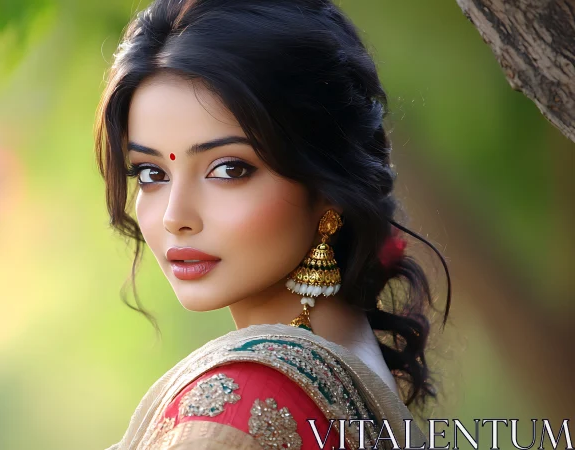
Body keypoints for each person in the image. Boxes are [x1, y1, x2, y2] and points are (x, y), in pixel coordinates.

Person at [94, 0, 451, 448]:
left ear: (326, 184)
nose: (174, 217)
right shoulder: (357, 372)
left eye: (228, 169)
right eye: (151, 173)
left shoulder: (244, 400)